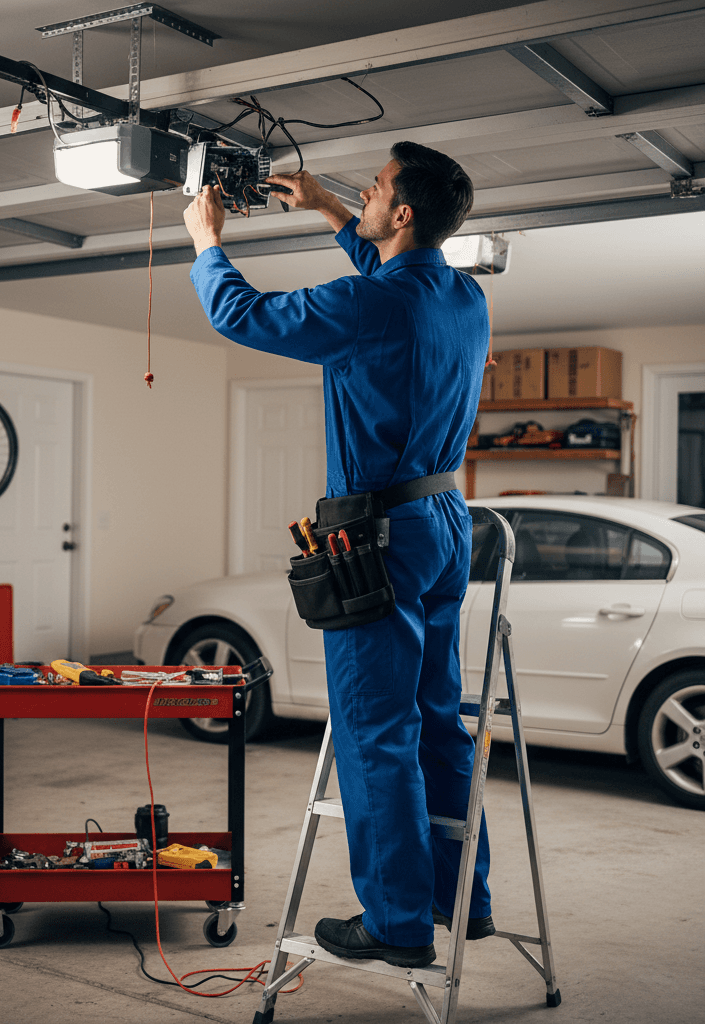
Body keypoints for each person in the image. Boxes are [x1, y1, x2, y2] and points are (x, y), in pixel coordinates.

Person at [182, 141, 493, 969]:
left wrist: (207, 240)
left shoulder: (367, 303)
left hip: (380, 536)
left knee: (375, 728)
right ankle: (463, 898)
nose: (365, 194)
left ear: (403, 212)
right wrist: (325, 205)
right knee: (437, 718)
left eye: (376, 188)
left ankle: (396, 923)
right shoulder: (464, 297)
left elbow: (240, 314)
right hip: (445, 523)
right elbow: (390, 277)